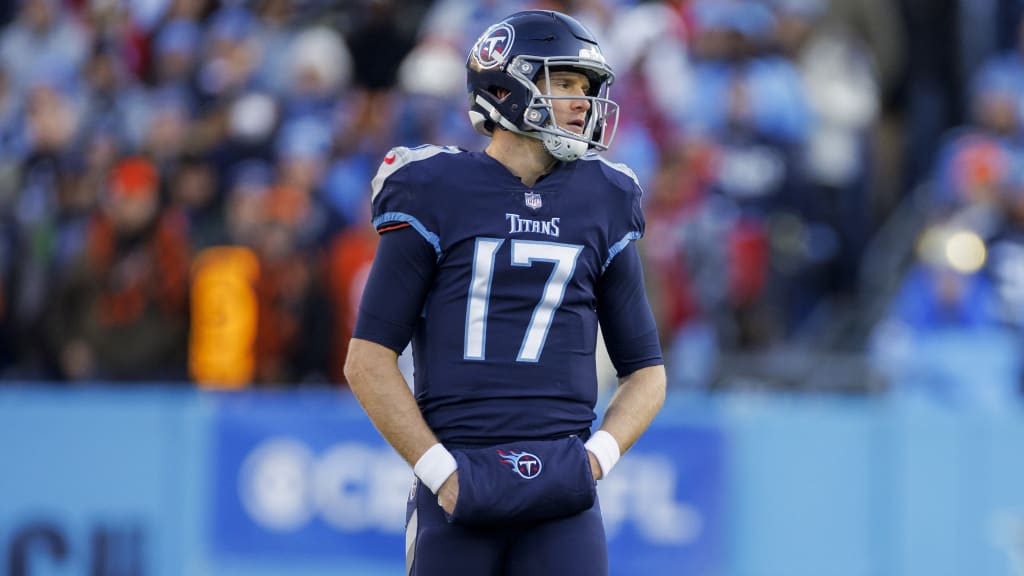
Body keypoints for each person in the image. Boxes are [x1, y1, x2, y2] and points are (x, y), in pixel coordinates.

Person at [343, 10, 666, 576]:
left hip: (562, 488)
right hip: (460, 476)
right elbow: (367, 360)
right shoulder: (433, 188)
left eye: (586, 89)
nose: (582, 103)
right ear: (506, 86)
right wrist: (440, 472)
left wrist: (595, 460)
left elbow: (647, 371)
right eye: (564, 83)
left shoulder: (605, 196)